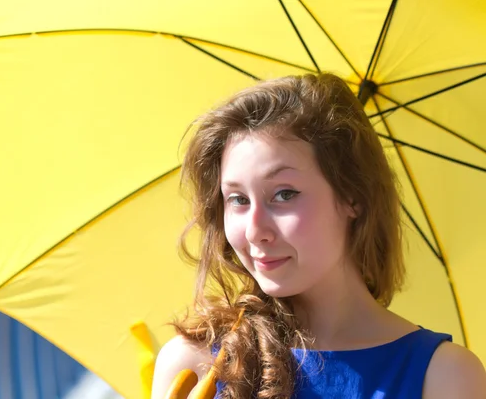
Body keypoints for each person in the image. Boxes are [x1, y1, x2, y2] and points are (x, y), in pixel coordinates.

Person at [151, 73, 486, 398]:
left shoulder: (446, 378)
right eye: (238, 199)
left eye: (284, 194)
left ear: (352, 196)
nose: (254, 230)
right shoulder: (194, 366)